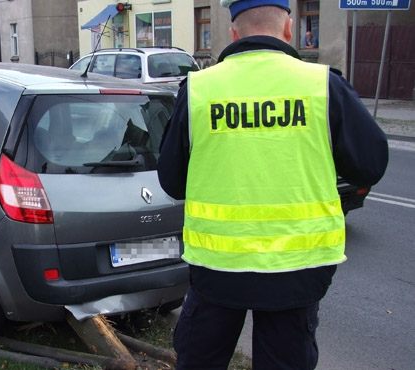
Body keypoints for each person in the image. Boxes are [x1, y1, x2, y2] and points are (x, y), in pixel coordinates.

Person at [156, 0, 389, 369]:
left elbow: (170, 180)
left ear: (234, 33)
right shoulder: (321, 85)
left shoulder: (200, 89)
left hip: (218, 269)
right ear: (288, 29)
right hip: (297, 269)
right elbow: (370, 166)